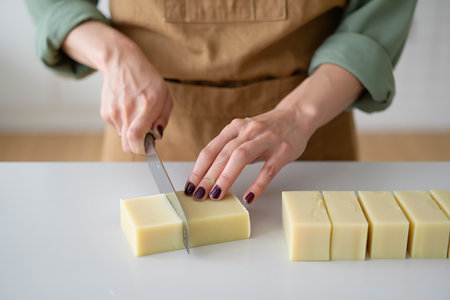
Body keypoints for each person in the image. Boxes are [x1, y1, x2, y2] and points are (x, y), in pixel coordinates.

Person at [25, 0, 417, 204]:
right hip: (147, 133)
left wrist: (297, 115)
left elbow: (375, 19)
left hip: (307, 137)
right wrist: (115, 56)